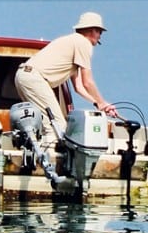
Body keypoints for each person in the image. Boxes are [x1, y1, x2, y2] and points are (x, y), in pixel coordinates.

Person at [14, 11, 118, 147]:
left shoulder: (72, 42)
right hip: (35, 79)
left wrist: (97, 103)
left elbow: (79, 87)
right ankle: (50, 164)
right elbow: (88, 82)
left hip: (23, 76)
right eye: (100, 33)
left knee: (46, 123)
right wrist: (103, 103)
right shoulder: (83, 43)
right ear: (94, 30)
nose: (99, 38)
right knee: (57, 126)